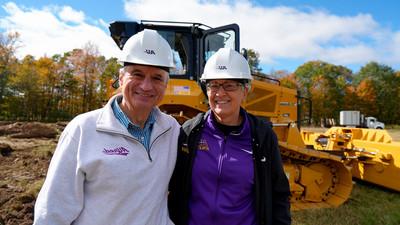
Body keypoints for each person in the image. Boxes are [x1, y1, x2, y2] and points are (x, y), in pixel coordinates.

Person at [34, 29, 180, 225]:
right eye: (137, 74)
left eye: (156, 78)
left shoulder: (171, 130)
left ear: (166, 84)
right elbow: (52, 211)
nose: (146, 86)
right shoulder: (83, 130)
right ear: (121, 79)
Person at [168, 48, 291, 225]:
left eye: (229, 85)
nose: (220, 93)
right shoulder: (190, 132)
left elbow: (279, 193)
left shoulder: (262, 136)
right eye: (214, 85)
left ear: (245, 91)